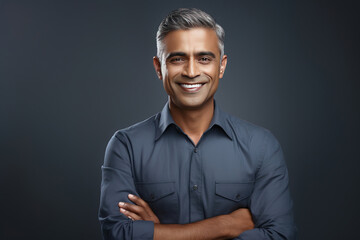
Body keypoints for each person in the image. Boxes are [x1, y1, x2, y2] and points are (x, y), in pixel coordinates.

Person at [99, 8, 296, 240]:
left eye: (204, 58)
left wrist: (157, 233)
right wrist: (225, 225)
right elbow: (118, 235)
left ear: (221, 66)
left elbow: (280, 236)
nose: (191, 72)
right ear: (158, 67)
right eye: (177, 59)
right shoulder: (126, 146)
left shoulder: (261, 146)